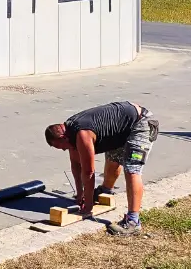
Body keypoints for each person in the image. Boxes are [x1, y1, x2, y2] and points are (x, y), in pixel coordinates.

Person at [45, 101, 159, 236]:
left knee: (132, 169)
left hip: (141, 123)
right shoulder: (69, 132)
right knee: (113, 160)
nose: (64, 149)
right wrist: (80, 194)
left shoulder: (81, 134)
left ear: (63, 137)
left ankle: (133, 222)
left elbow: (88, 172)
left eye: (61, 146)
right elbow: (76, 165)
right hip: (120, 129)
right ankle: (105, 191)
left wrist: (88, 206)